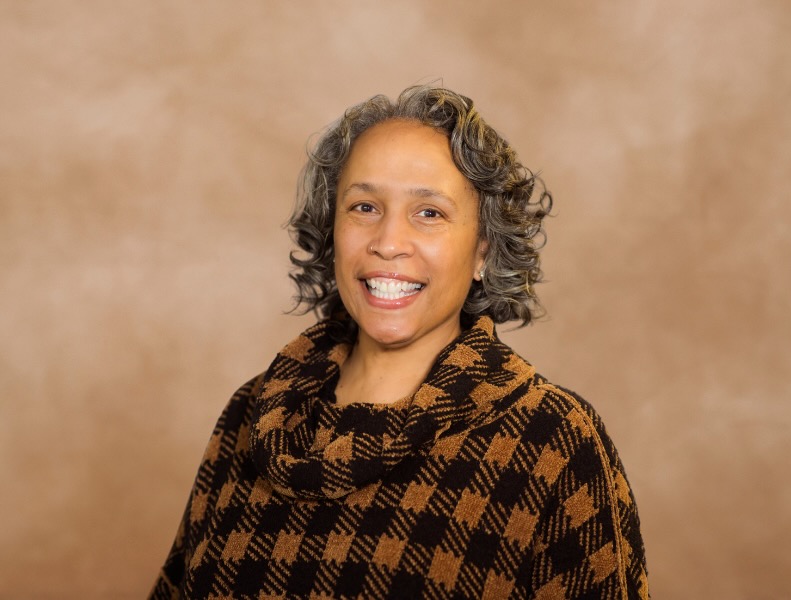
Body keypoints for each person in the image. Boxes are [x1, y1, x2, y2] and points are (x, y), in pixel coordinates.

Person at [150, 85, 648, 599]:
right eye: (364, 207)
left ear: (483, 251)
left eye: (429, 213)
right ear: (332, 231)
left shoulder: (553, 443)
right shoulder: (251, 415)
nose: (388, 242)